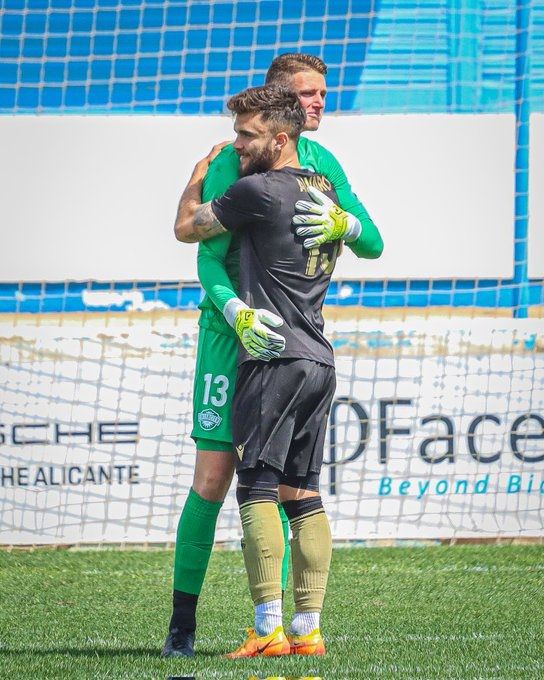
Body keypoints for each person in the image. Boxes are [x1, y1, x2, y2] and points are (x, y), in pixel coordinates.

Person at [163, 53, 383, 658]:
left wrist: (344, 224)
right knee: (215, 477)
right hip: (233, 334)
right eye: (309, 93)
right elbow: (204, 254)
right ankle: (185, 621)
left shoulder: (319, 168)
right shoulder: (240, 160)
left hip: (281, 345)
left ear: (273, 129)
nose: (320, 103)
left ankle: (274, 624)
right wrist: (233, 309)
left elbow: (374, 241)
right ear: (279, 98)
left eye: (322, 93)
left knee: (272, 487)